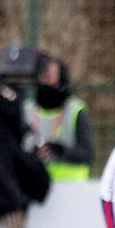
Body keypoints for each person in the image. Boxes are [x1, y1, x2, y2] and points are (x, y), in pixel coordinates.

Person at [23, 53, 93, 181]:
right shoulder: (26, 110)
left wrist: (58, 150)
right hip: (33, 186)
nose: (46, 80)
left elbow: (87, 155)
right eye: (43, 75)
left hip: (71, 187)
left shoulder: (75, 110)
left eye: (51, 76)